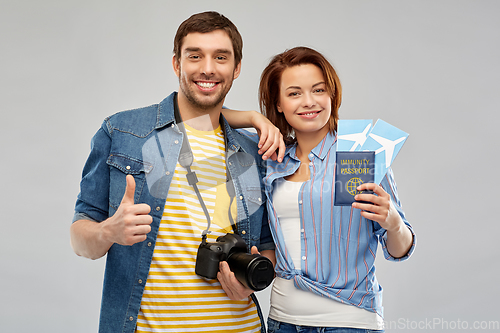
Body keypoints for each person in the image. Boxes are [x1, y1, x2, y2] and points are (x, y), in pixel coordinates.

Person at [70, 11, 282, 333]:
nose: (207, 68)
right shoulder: (123, 132)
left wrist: (252, 284)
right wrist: (108, 232)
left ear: (236, 68)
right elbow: (79, 237)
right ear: (176, 64)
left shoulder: (253, 151)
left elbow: (267, 244)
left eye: (220, 57)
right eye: (194, 55)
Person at [258, 47, 416, 332]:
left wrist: (393, 222)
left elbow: (400, 249)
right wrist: (255, 119)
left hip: (350, 322)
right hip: (283, 321)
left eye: (318, 90)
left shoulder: (356, 154)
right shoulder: (273, 159)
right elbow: (213, 118)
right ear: (278, 103)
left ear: (331, 94)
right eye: (294, 93)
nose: (309, 102)